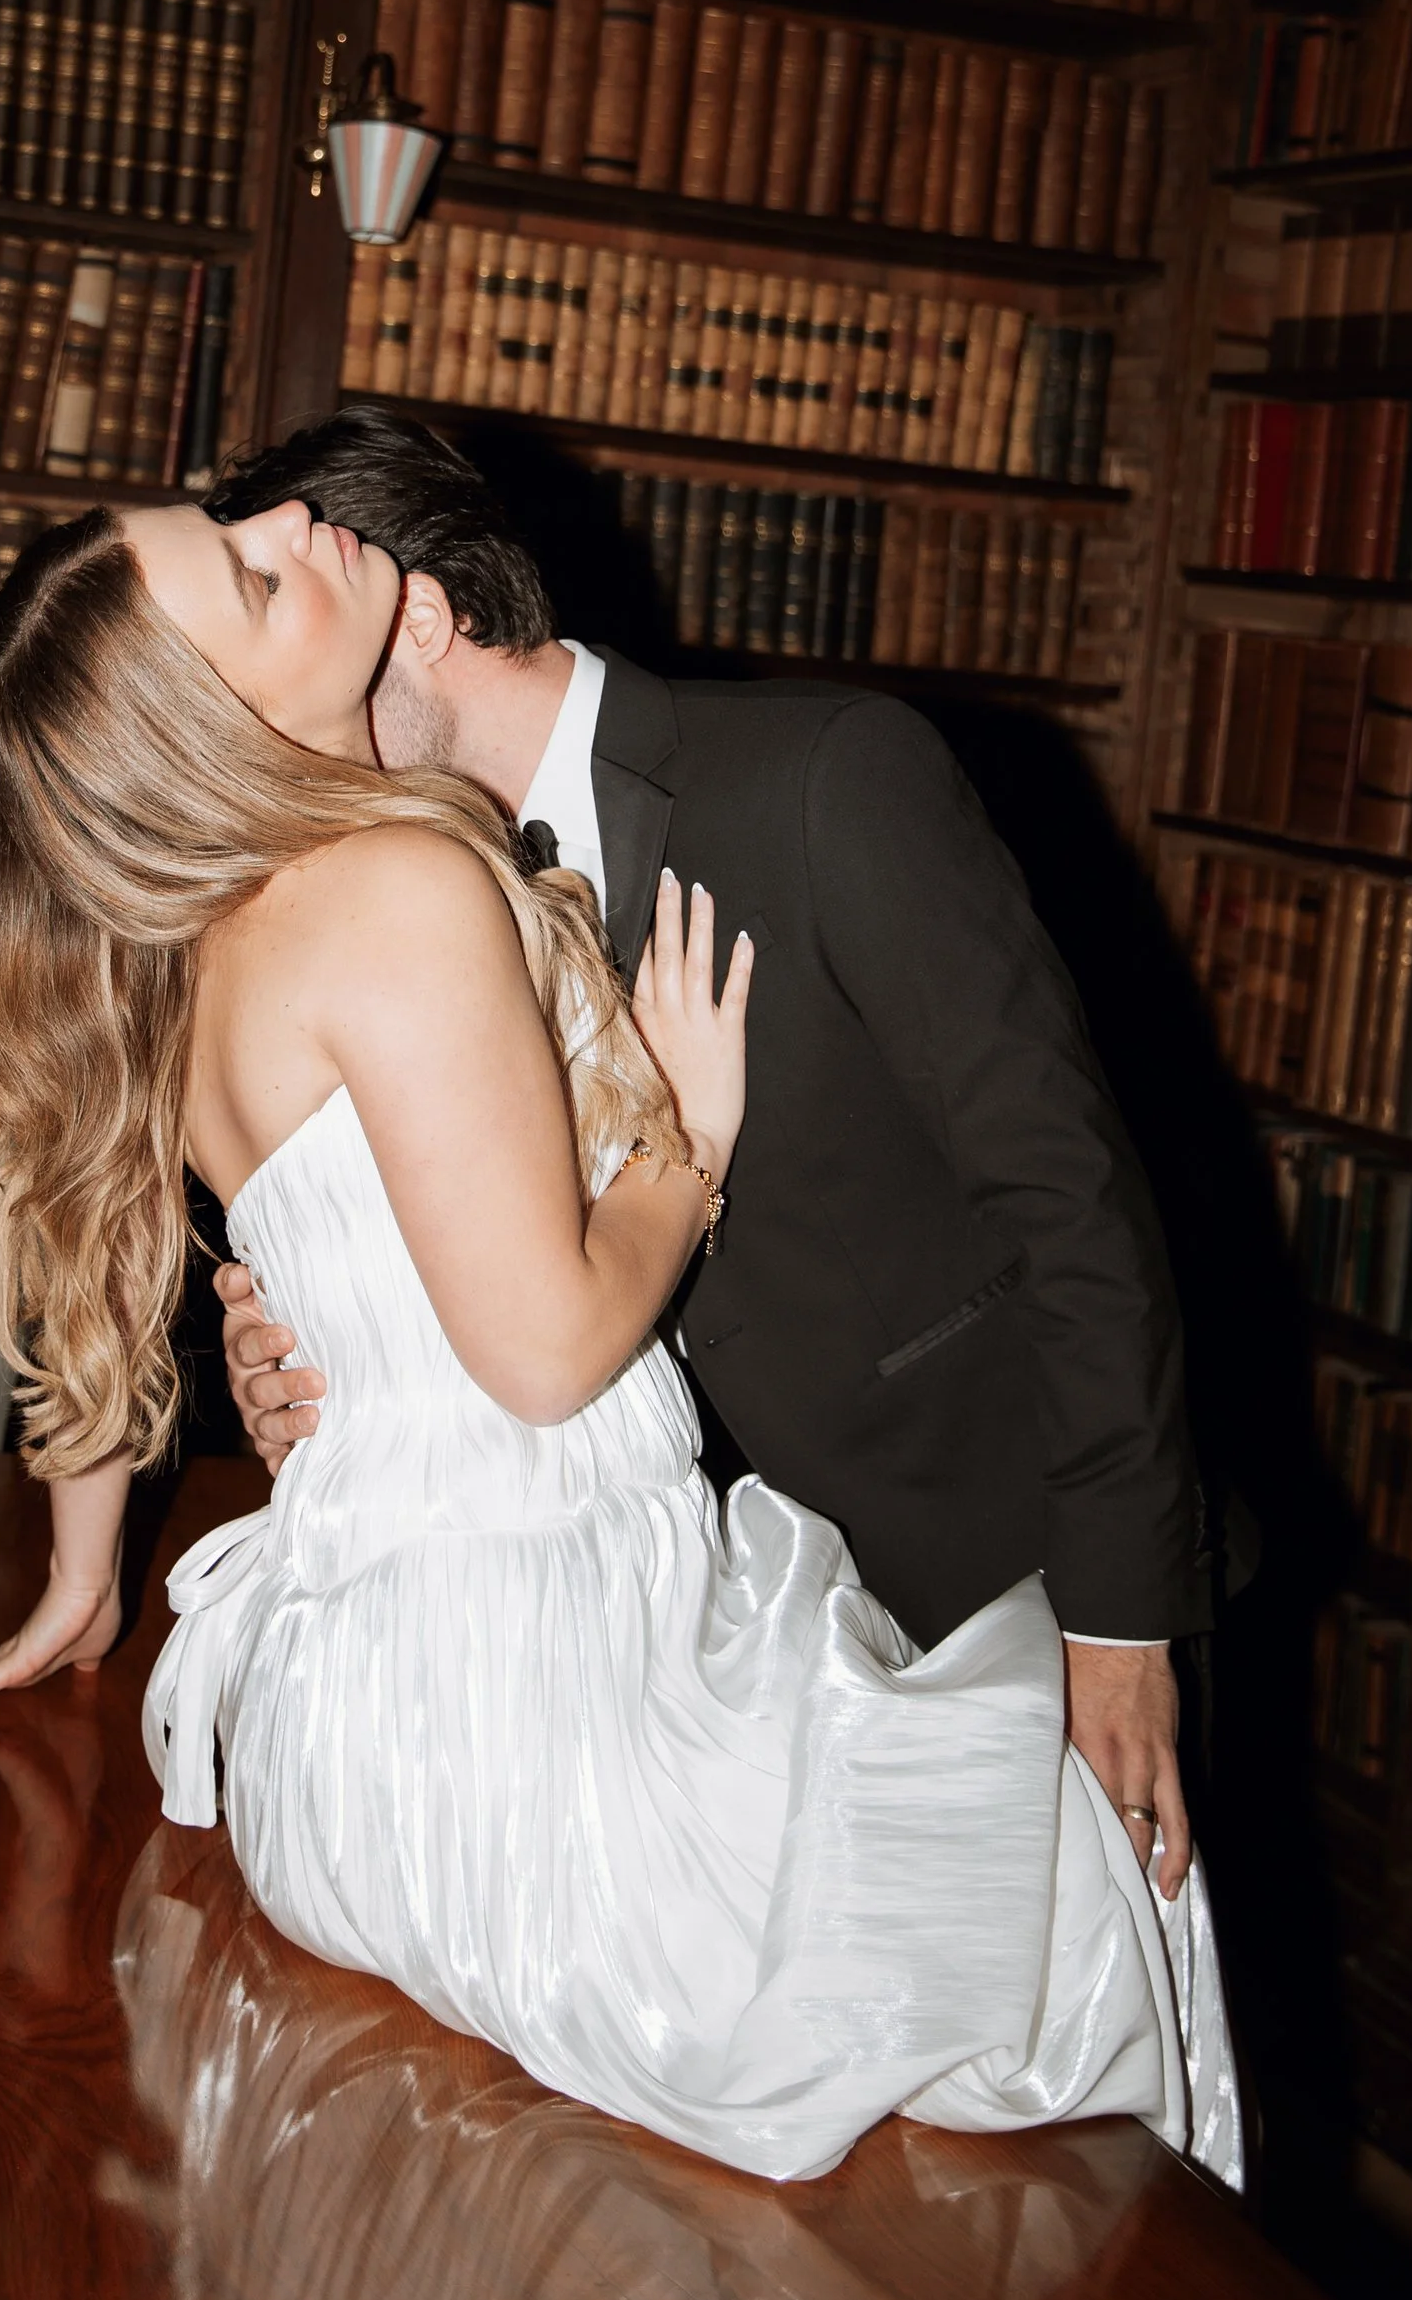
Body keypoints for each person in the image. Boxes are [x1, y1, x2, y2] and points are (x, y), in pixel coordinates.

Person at [0, 493, 1240, 2186]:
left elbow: (108, 1257)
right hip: (536, 1704)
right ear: (210, 726)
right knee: (1055, 1920)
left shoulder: (181, 949)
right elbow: (541, 1354)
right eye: (252, 573)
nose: (293, 521)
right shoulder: (395, 884)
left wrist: (84, 1579)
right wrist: (692, 1141)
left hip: (353, 1718)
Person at [207, 407, 1211, 1888]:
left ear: (413, 618)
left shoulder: (828, 773)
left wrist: (1118, 1621)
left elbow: (1071, 1195)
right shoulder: (362, 905)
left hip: (987, 1593)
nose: (250, 723)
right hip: (653, 1665)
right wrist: (311, 1358)